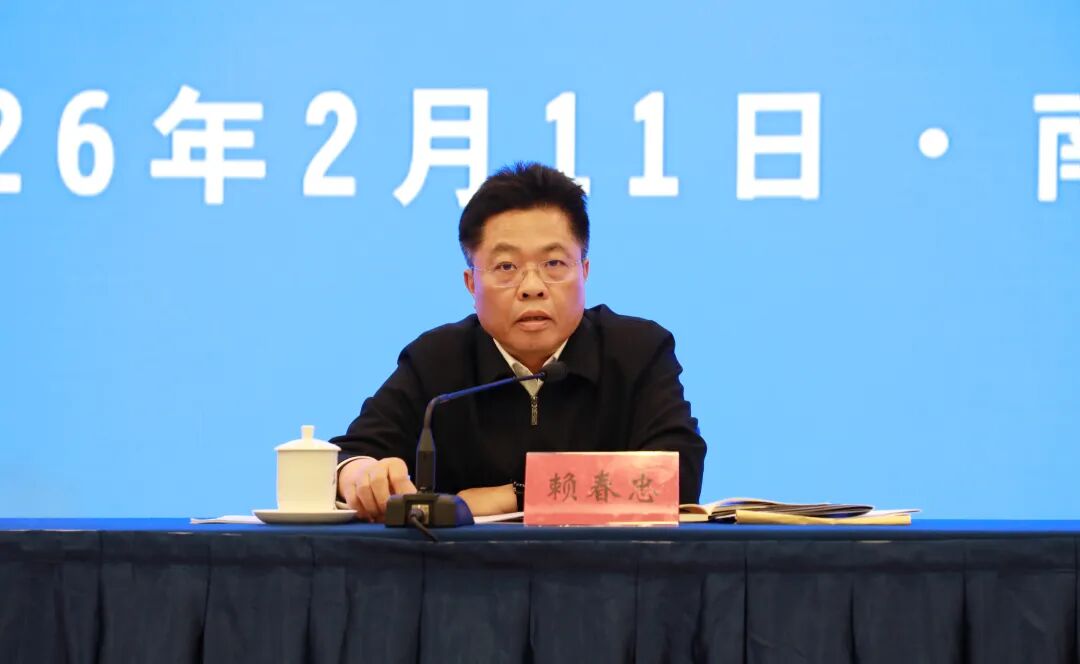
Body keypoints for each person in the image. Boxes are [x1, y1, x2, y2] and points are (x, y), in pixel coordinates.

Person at [332, 162, 706, 520]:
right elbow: (349, 458)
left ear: (584, 272)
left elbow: (677, 477)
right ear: (471, 284)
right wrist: (361, 475)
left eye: (554, 264)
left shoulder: (637, 351)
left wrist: (514, 496)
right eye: (506, 267)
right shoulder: (437, 360)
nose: (532, 287)